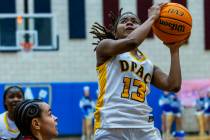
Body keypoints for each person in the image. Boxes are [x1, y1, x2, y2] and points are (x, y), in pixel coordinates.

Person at [90, 2, 188, 140]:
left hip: (144, 127)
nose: (129, 22)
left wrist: (174, 51)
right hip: (112, 125)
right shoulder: (105, 47)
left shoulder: (148, 64)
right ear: (114, 31)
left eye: (134, 22)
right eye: (124, 21)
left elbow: (173, 85)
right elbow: (132, 42)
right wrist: (152, 18)